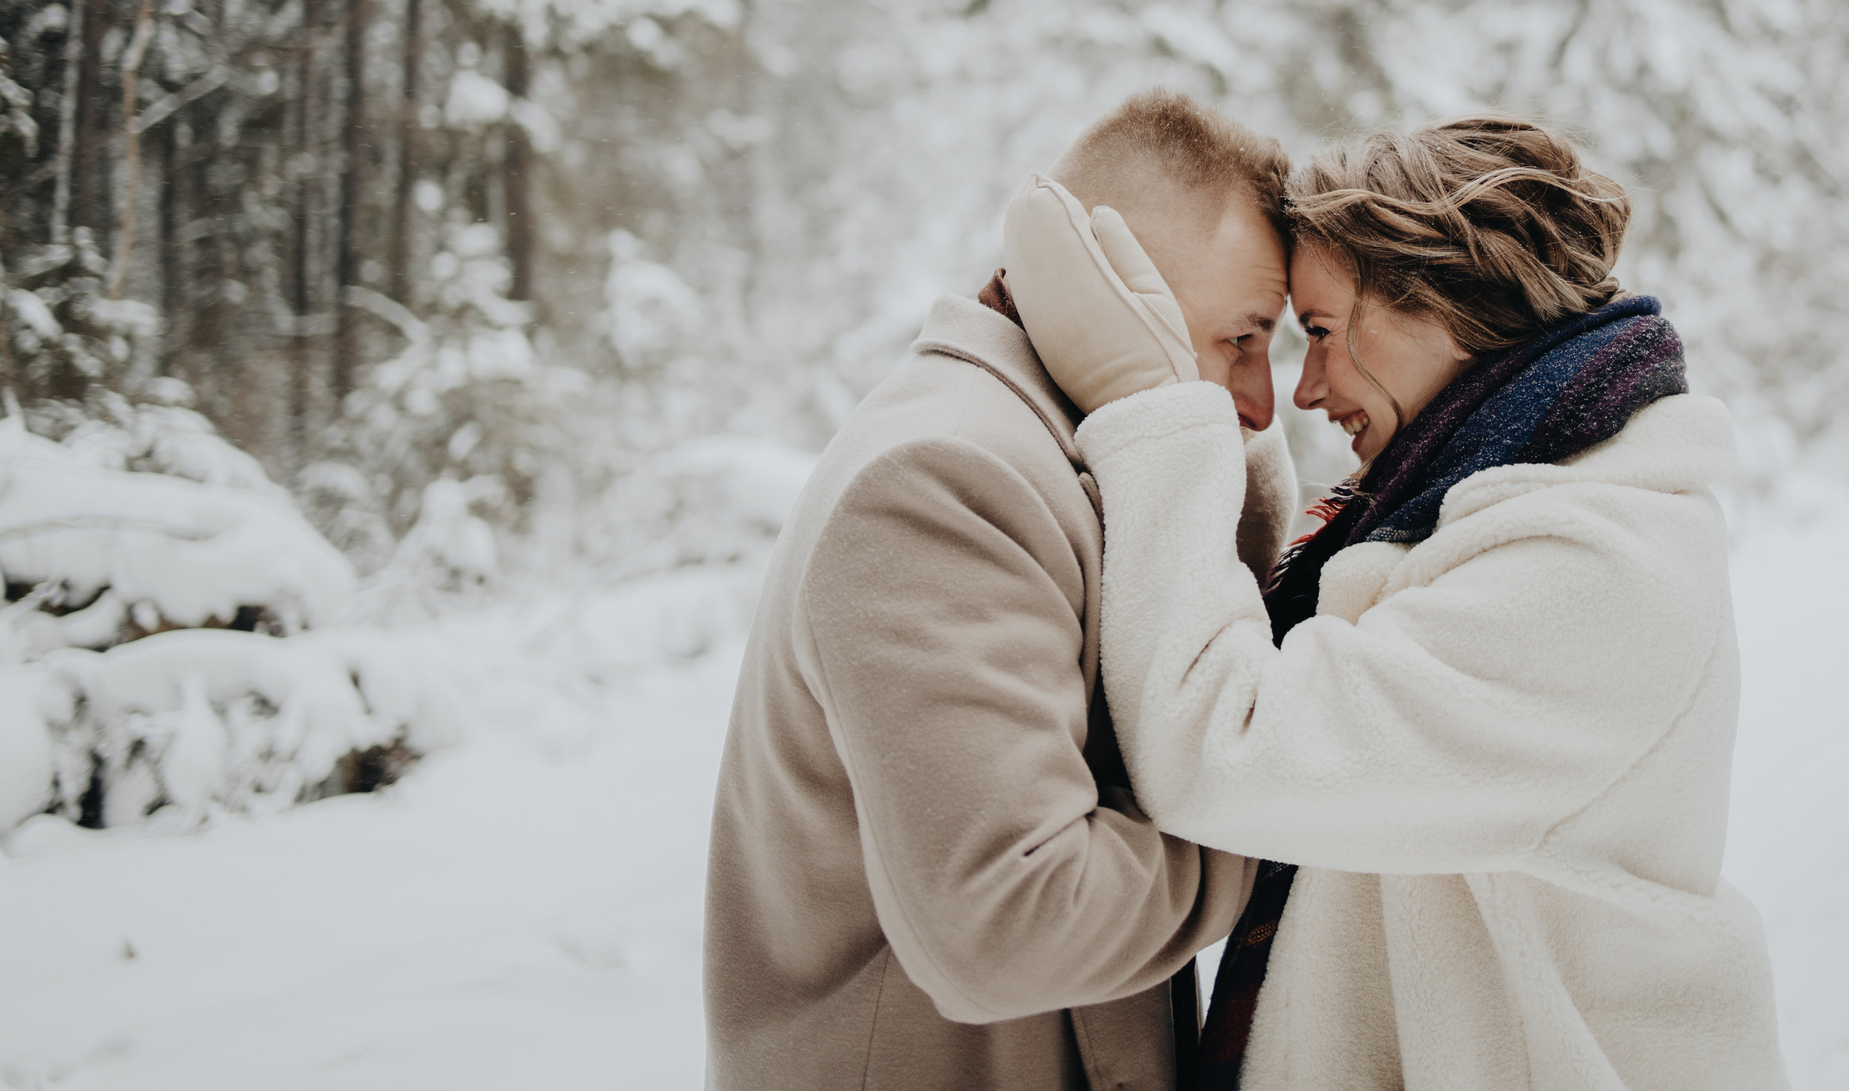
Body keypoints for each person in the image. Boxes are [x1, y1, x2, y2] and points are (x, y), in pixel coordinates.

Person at [1068, 115, 1789, 1090]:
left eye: (1319, 332)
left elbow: (1226, 745)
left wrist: (1152, 404)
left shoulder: (1596, 572)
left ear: (1438, 302)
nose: (1308, 389)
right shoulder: (1479, 510)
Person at [703, 90, 1308, 1090]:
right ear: (1123, 289)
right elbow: (1010, 924)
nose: (1258, 399)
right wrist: (1277, 816)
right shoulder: (946, 481)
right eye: (1242, 336)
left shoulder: (1038, 449)